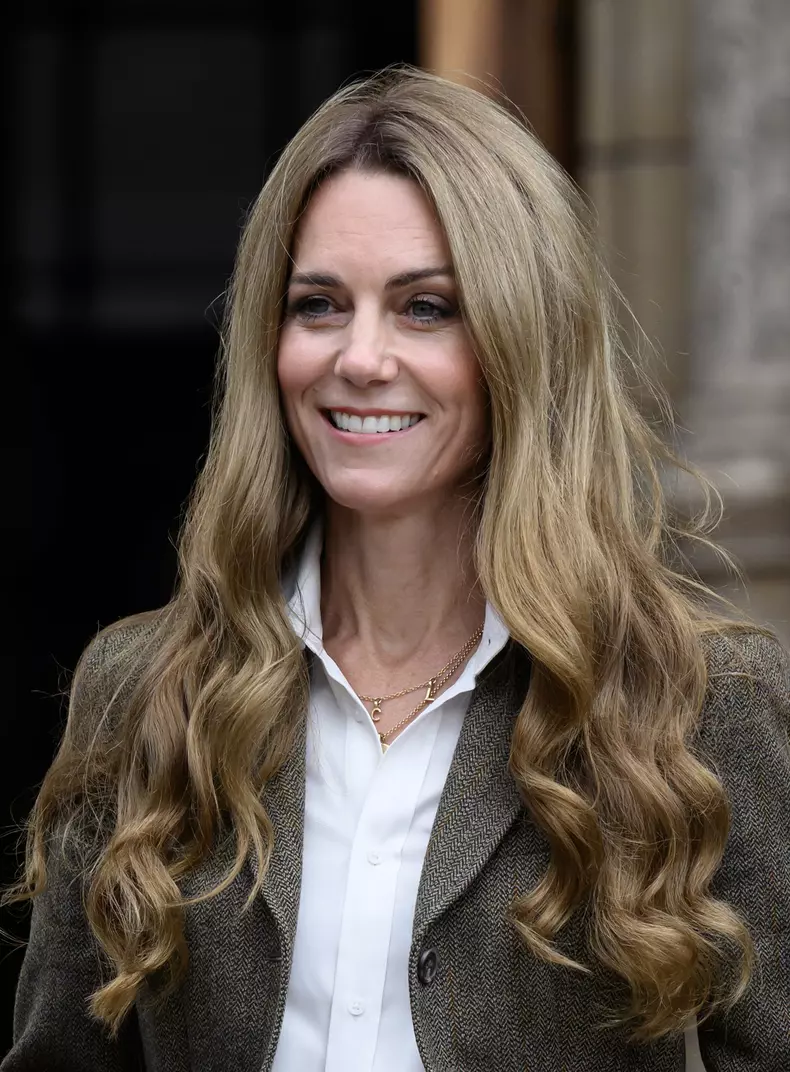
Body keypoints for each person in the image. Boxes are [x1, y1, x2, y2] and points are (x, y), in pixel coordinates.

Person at [3, 65, 789, 1072]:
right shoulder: (146, 691)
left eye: (424, 308)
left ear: (520, 339)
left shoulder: (696, 703)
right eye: (319, 304)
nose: (360, 356)